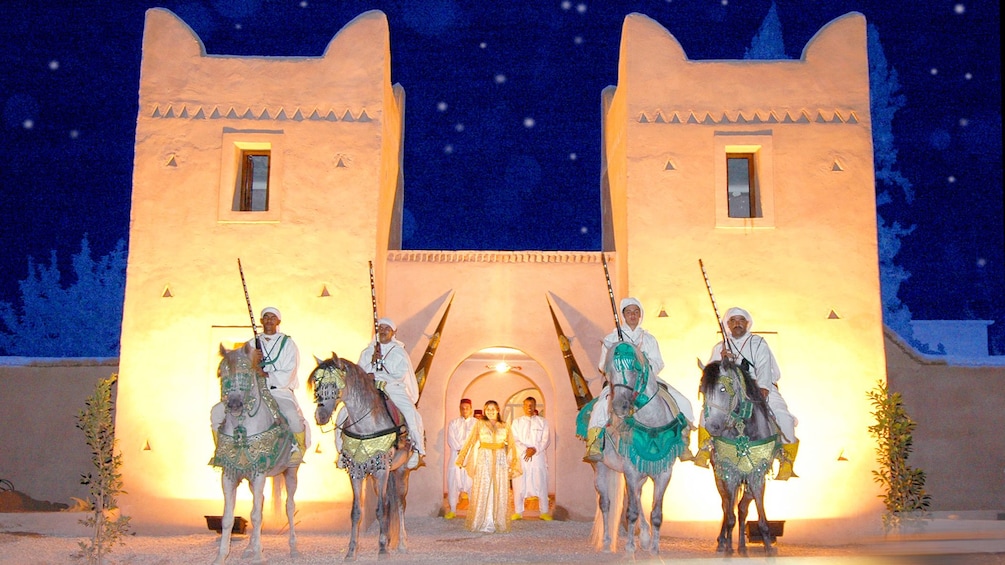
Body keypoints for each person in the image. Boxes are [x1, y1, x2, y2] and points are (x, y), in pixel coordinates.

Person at [583, 297, 695, 462]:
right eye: (629, 312)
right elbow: (602, 365)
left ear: (640, 315)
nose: (632, 315)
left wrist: (646, 364)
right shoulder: (612, 339)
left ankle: (684, 441)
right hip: (620, 383)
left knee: (683, 401)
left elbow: (659, 362)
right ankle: (595, 442)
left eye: (636, 312)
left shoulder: (648, 339)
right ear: (623, 315)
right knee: (600, 406)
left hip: (647, 381)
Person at [697, 306, 799, 480]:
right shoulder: (720, 346)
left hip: (758, 387)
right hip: (731, 389)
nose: (737, 324)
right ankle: (704, 449)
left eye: (741, 320)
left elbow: (764, 368)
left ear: (747, 323)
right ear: (728, 325)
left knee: (784, 417)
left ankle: (786, 460)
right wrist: (723, 359)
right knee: (708, 412)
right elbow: (712, 375)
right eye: (733, 321)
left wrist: (763, 389)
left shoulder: (758, 343)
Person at [358, 317, 426, 469]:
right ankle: (344, 449)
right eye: (380, 328)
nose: (383, 331)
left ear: (393, 332)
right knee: (347, 410)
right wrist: (372, 362)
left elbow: (400, 374)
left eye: (386, 329)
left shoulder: (399, 352)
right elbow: (360, 371)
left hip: (392, 387)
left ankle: (418, 448)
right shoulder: (368, 350)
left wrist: (383, 364)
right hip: (371, 387)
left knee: (410, 413)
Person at [252, 307, 309, 463]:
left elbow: (291, 368)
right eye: (266, 317)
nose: (269, 320)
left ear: (278, 321)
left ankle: (298, 449)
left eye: (272, 317)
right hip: (256, 391)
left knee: (292, 416)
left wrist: (268, 375)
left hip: (279, 391)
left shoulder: (288, 343)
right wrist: (252, 360)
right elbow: (243, 366)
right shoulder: (252, 343)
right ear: (261, 321)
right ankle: (227, 451)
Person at [456, 400, 521, 533]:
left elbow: (512, 444)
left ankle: (498, 521)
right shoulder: (480, 424)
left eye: (493, 409)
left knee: (499, 488)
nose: (490, 411)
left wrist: (513, 461)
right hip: (484, 458)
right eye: (488, 409)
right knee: (485, 487)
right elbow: (470, 440)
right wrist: (462, 457)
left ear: (498, 410)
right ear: (485, 411)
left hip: (500, 458)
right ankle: (482, 521)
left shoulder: (505, 425)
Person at [511, 396, 552, 521]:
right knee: (519, 484)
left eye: (532, 405)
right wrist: (526, 450)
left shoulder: (543, 422)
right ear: (523, 406)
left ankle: (544, 511)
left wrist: (534, 449)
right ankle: (518, 511)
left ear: (535, 406)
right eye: (527, 405)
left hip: (538, 457)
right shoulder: (516, 422)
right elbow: (514, 439)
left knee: (541, 483)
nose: (529, 407)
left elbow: (546, 440)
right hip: (522, 457)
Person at [445, 398, 476, 519]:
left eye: (467, 408)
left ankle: (473, 511)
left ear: (471, 409)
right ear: (460, 409)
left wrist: (465, 450)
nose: (465, 410)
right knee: (453, 482)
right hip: (455, 456)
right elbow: (451, 439)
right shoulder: (454, 423)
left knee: (471, 483)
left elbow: (474, 439)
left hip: (470, 458)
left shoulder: (476, 424)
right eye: (462, 408)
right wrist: (461, 449)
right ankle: (453, 509)